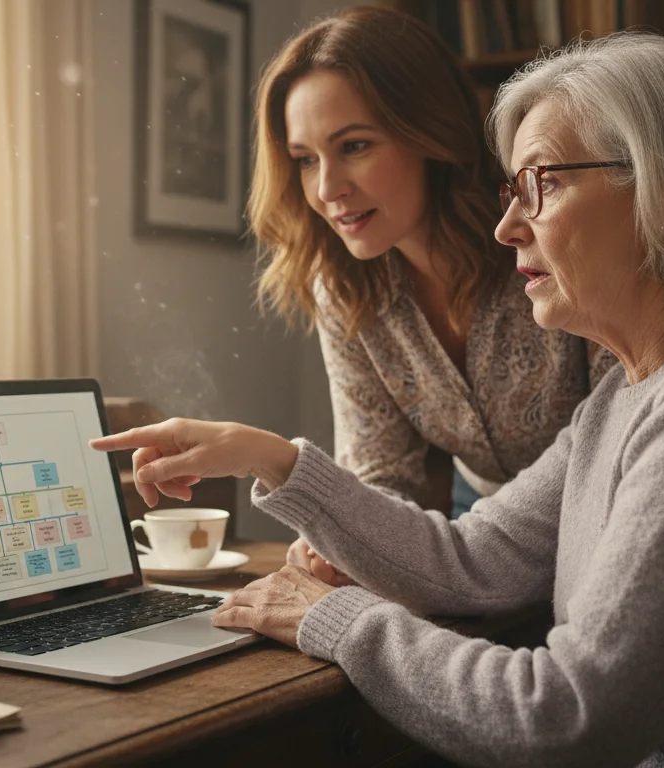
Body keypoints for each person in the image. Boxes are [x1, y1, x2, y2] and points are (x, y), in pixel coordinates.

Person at [95, 32, 664, 767]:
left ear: (663, 185)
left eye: (544, 184)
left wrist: (335, 617)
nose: (508, 229)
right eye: (513, 189)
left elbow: (564, 721)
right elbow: (470, 563)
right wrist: (272, 458)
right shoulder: (636, 388)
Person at [248, 5, 613, 546]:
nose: (327, 188)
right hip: (480, 522)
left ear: (428, 131)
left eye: (354, 146)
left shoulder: (541, 231)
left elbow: (619, 432)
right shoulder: (345, 288)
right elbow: (380, 474)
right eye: (305, 159)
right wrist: (346, 544)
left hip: (602, 510)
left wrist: (450, 555)